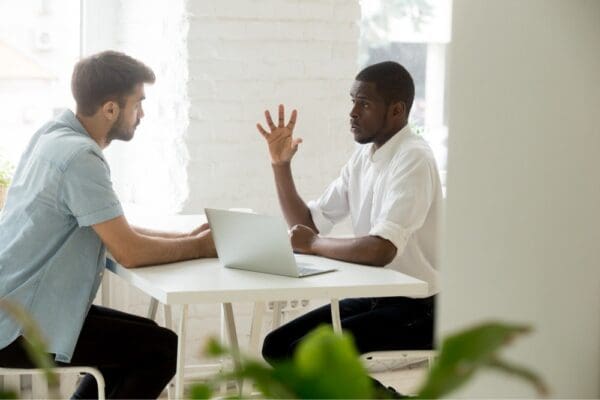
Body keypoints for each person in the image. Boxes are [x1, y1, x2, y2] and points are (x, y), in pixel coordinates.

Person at [0, 51, 217, 399]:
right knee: (160, 349)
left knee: (147, 339)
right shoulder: (81, 158)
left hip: (18, 304)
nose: (142, 114)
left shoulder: (52, 134)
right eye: (138, 104)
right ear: (111, 109)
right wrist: (202, 247)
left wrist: (186, 237)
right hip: (18, 325)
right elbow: (128, 252)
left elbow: (115, 229)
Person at [257, 61, 442, 365]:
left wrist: (314, 244)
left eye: (364, 103)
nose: (353, 112)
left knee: (301, 356)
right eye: (353, 101)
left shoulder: (413, 158)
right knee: (276, 347)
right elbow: (307, 225)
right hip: (377, 297)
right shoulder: (363, 158)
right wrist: (281, 165)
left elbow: (381, 249)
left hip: (420, 308)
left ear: (397, 110)